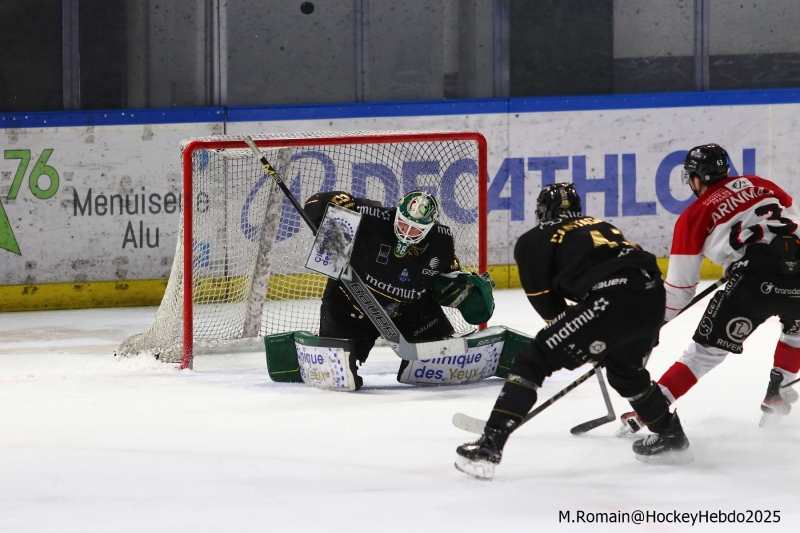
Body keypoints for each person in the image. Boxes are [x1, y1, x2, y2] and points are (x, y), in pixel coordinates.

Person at [455, 183, 685, 480]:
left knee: (532, 360)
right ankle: (670, 435)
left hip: (612, 299)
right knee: (625, 373)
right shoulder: (600, 225)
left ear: (542, 211)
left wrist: (582, 339)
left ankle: (489, 445)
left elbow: (550, 309)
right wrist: (590, 336)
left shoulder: (534, 238)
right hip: (653, 297)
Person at [617, 144, 800, 435]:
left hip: (753, 282)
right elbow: (790, 218)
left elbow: (678, 292)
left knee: (704, 353)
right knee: (796, 330)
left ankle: (650, 410)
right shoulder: (761, 183)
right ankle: (778, 392)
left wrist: (645, 325)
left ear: (697, 179)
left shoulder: (693, 216)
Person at [304, 190, 493, 390]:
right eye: (403, 223)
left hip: (409, 311)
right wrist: (334, 203)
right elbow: (314, 203)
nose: (406, 231)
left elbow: (448, 277)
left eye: (415, 229)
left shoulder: (441, 240)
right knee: (333, 373)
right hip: (350, 308)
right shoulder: (370, 217)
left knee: (443, 362)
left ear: (429, 227)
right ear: (397, 213)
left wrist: (462, 289)